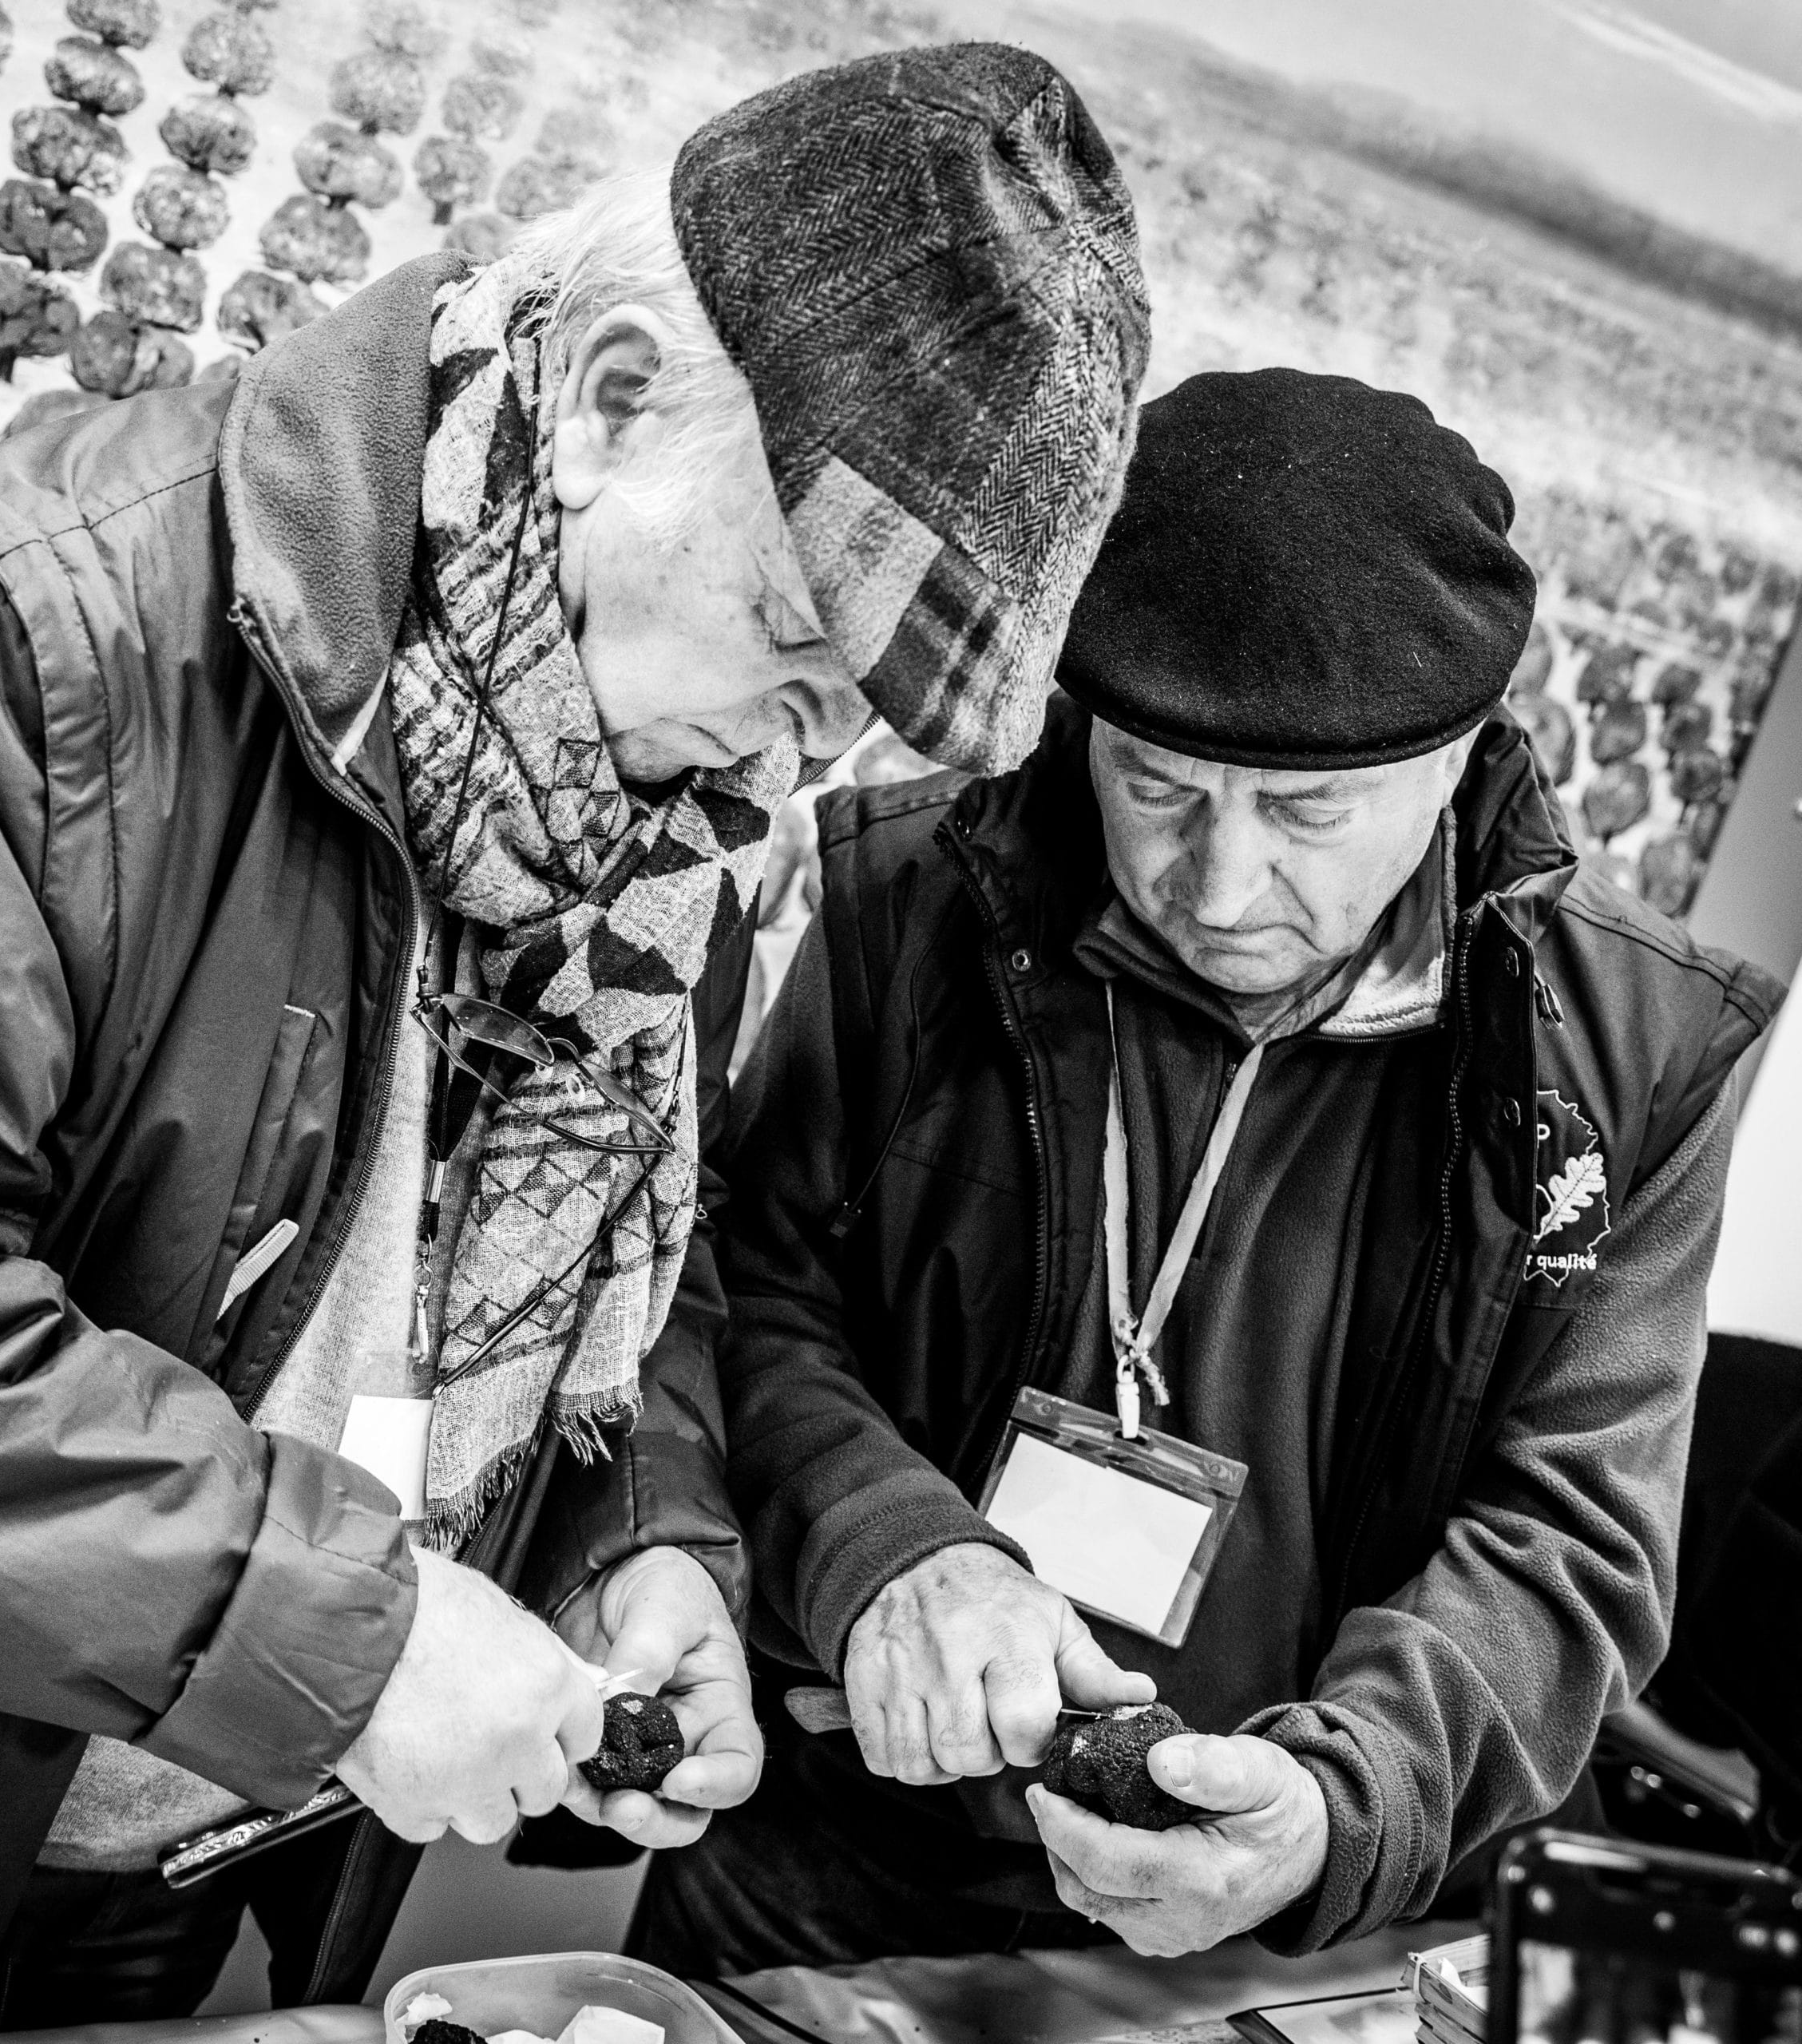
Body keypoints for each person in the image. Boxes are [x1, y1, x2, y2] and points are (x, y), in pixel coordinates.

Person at [0, 44, 1152, 2027]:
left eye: (857, 718)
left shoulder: (667, 815)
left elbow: (581, 1274)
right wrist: (350, 1631)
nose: (792, 761)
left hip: (199, 1849)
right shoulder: (27, 628)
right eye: (789, 645)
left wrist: (632, 1540)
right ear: (603, 408)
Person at [629, 368, 1784, 1975]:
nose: (1218, 884)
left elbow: (1568, 1519)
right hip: (835, 1856)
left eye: (1308, 815)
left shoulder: (1638, 1046)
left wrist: (1338, 1795)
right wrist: (885, 1535)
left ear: (1455, 756)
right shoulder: (898, 897)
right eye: (1156, 790)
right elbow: (743, 1288)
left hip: (1284, 1916)